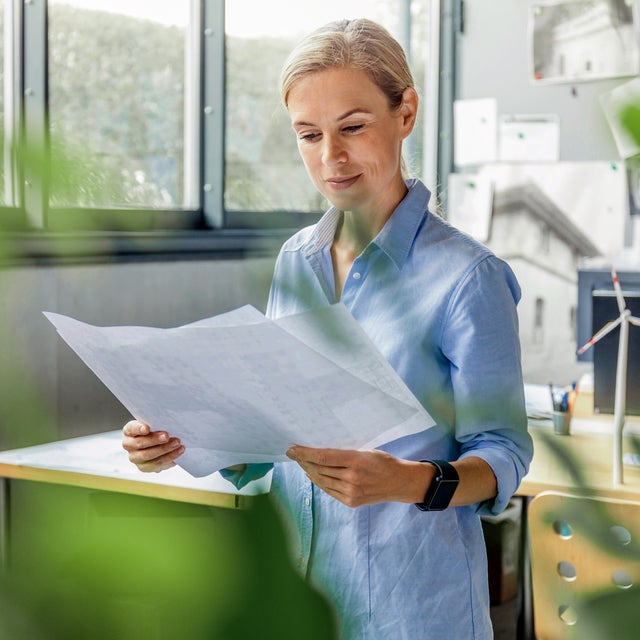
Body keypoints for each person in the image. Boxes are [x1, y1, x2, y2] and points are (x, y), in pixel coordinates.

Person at [123, 18, 533, 639]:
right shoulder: (296, 260)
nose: (329, 158)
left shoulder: (468, 278)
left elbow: (504, 452)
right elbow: (271, 429)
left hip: (411, 611)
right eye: (308, 135)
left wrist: (410, 481)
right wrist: (182, 436)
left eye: (352, 128)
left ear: (407, 113)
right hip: (302, 601)